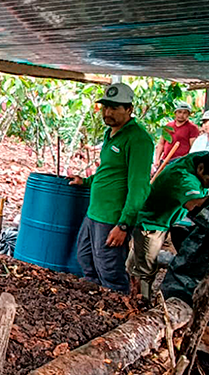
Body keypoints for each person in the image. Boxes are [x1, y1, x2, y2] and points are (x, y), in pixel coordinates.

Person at [69, 83, 154, 294]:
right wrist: (85, 182)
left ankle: (117, 312)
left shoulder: (138, 139)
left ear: (129, 109)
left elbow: (139, 187)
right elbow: (109, 171)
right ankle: (95, 304)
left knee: (110, 270)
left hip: (112, 217)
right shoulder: (111, 134)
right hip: (94, 212)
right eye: (106, 107)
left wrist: (124, 225)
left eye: (115, 108)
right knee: (86, 259)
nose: (108, 112)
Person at [127, 151, 209, 299]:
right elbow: (194, 205)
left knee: (137, 260)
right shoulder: (183, 178)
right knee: (145, 269)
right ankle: (141, 301)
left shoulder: (203, 158)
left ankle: (131, 288)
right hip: (152, 225)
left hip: (163, 220)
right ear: (200, 169)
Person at [154, 101, 199, 166]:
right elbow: (161, 144)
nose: (181, 115)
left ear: (188, 114)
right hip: (165, 161)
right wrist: (157, 159)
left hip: (181, 162)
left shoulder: (192, 128)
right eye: (179, 112)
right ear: (175, 113)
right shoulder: (168, 126)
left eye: (185, 113)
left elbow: (193, 148)